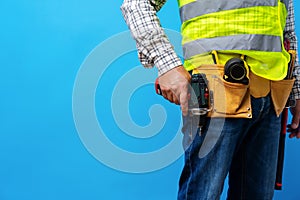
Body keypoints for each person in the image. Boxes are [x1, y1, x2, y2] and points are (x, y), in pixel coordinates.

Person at [121, 0, 300, 199]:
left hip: (272, 94)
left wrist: (296, 91)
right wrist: (168, 66)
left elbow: (286, 27)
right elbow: (136, 4)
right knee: (203, 194)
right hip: (215, 92)